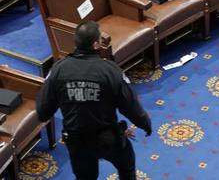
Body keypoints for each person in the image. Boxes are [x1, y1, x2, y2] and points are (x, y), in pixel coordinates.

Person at [36, 21, 152, 180]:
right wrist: (144, 123)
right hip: (107, 138)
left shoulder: (58, 69)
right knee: (127, 165)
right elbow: (130, 106)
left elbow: (43, 111)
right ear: (95, 44)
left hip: (76, 140)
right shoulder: (111, 71)